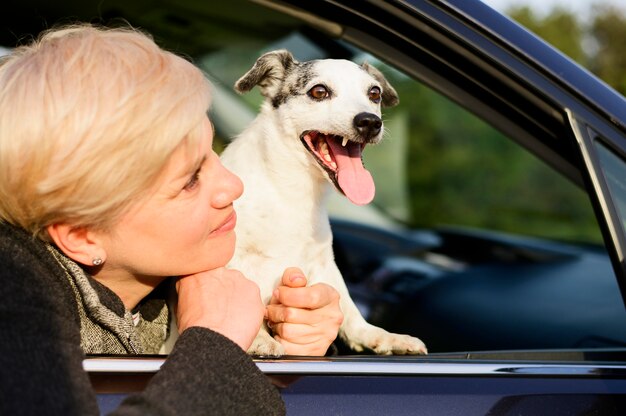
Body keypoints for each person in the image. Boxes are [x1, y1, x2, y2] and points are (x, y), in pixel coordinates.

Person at [0, 24, 343, 415]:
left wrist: (286, 349)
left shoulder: (159, 274)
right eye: (191, 180)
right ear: (81, 234)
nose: (232, 185)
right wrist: (218, 344)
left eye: (213, 152)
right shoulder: (15, 296)